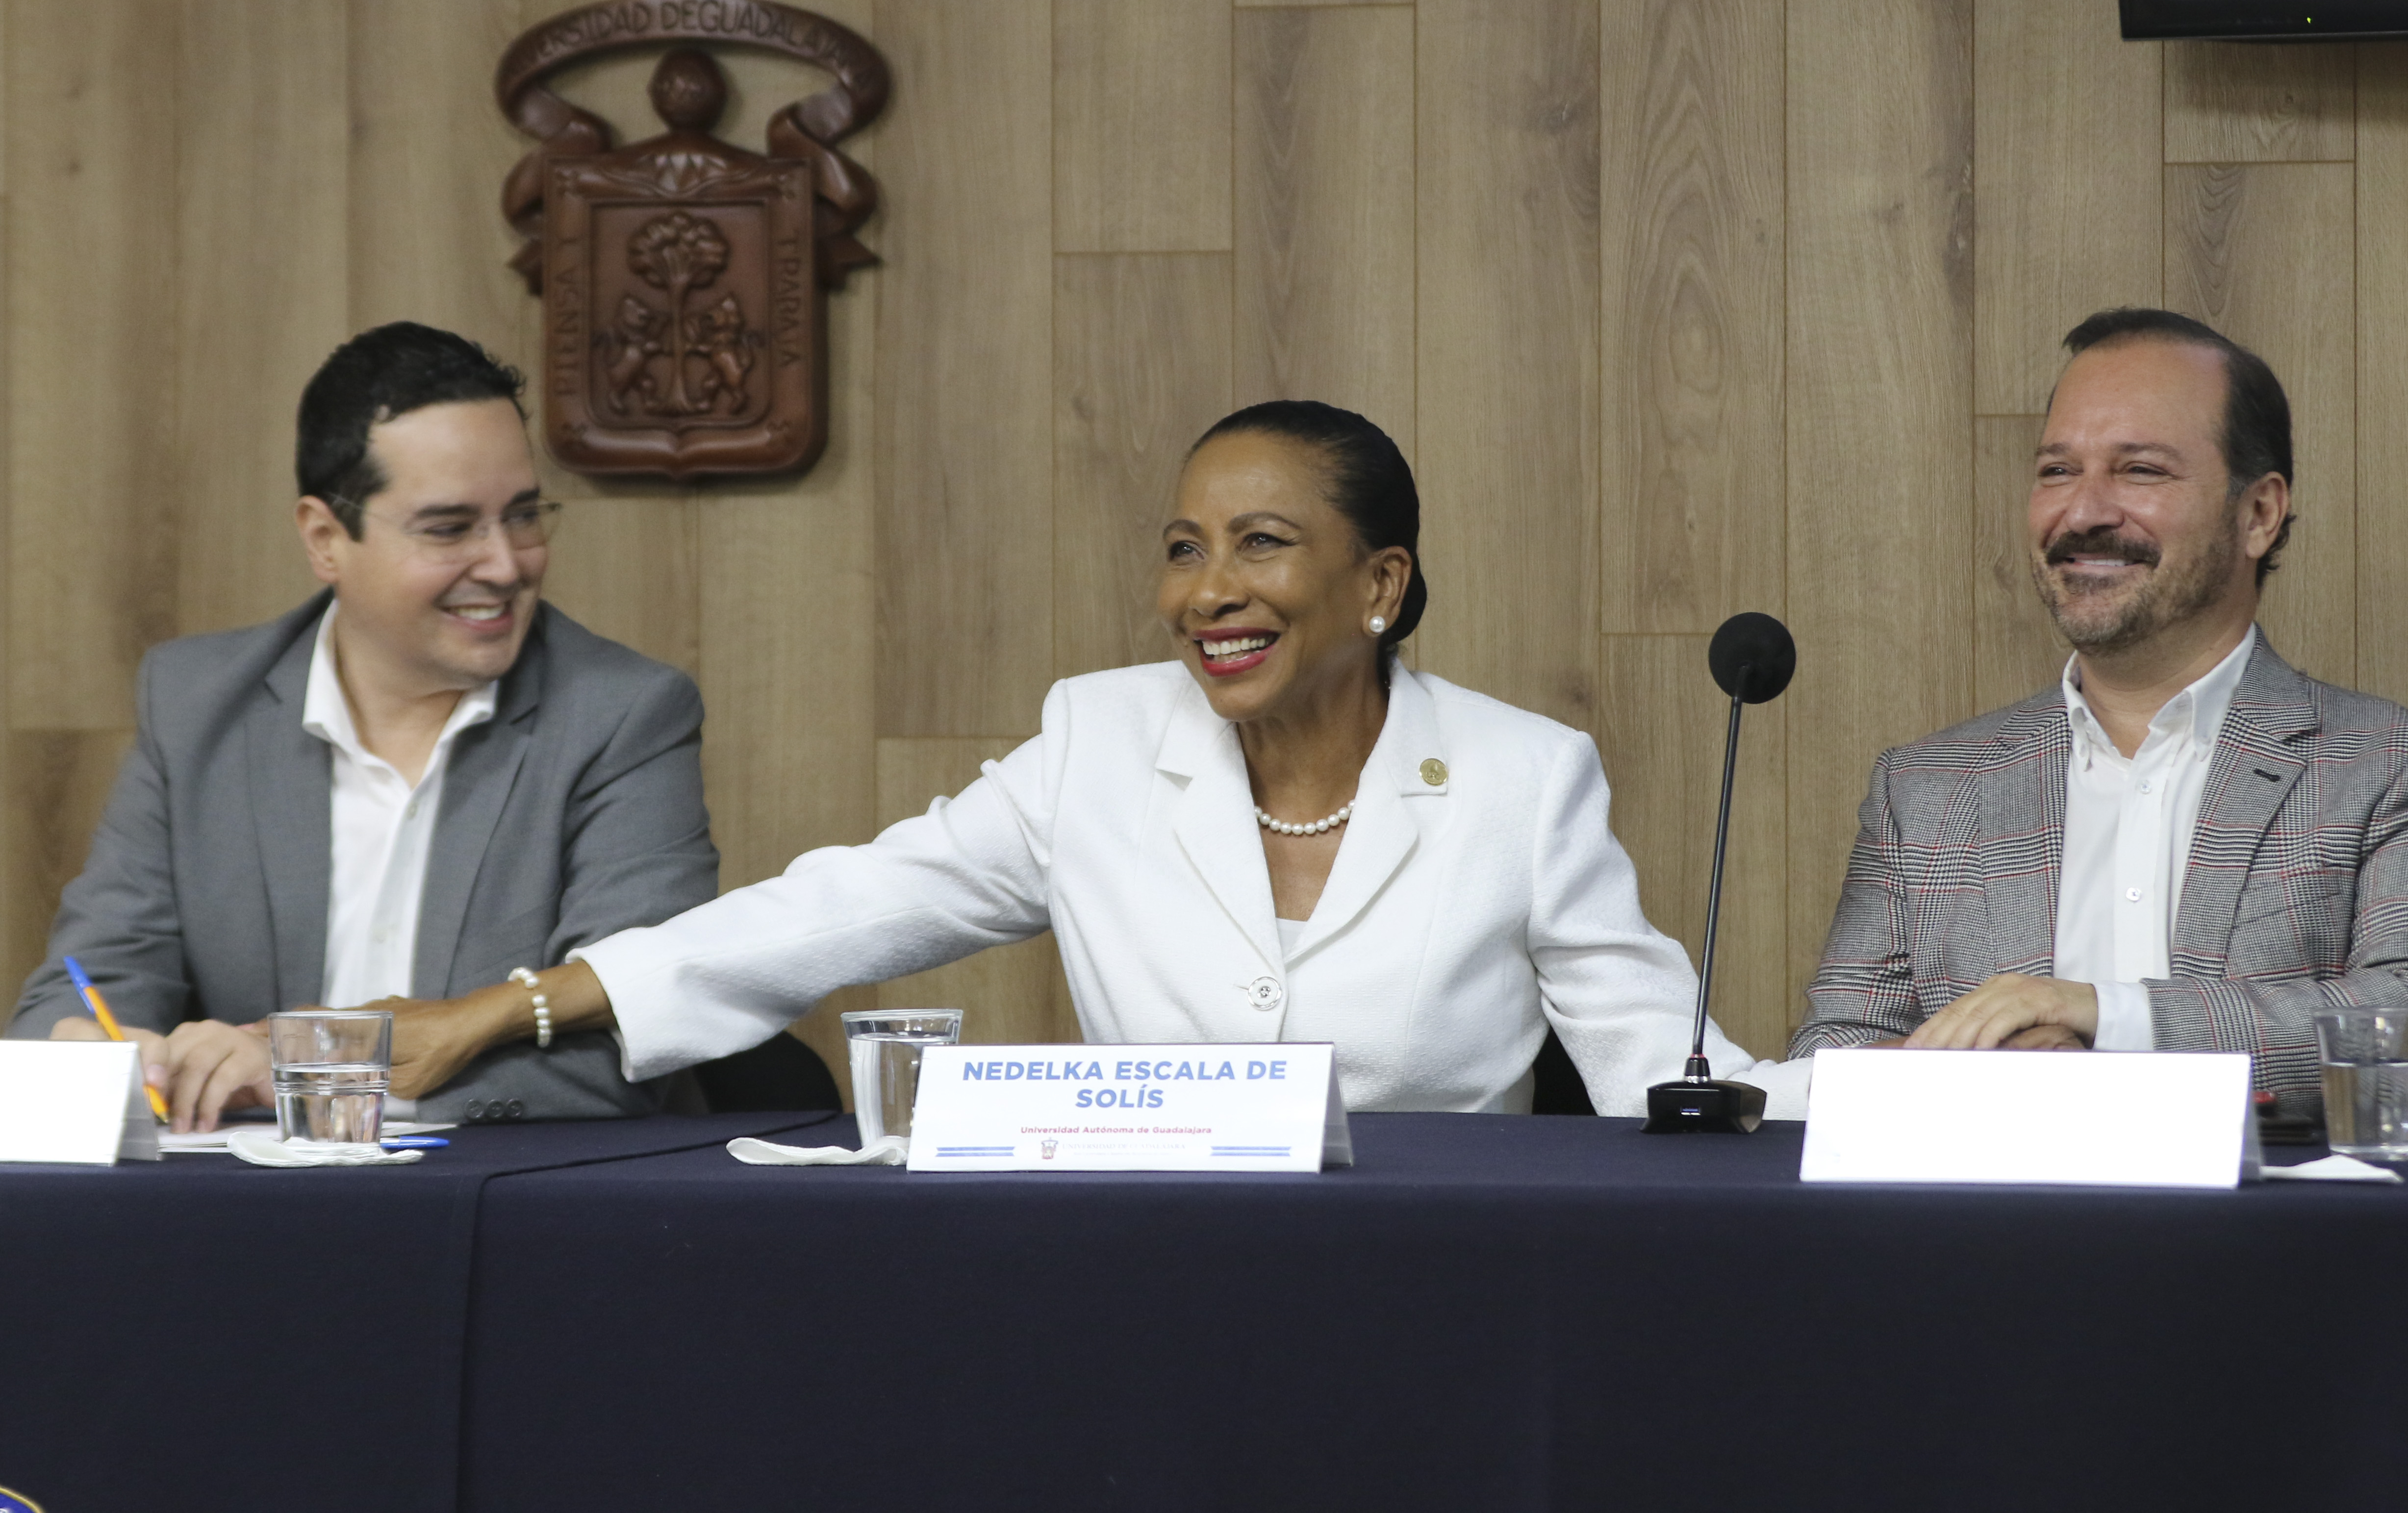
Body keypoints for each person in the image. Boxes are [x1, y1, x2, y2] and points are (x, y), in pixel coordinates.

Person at [373, 400, 1785, 1117]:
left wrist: (1901, 1108)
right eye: (1182, 549)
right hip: (1143, 1274)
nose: (1206, 591)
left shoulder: (1523, 774)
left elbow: (1669, 1070)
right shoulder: (1099, 742)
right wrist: (498, 1013)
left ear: (1380, 581)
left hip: (1432, 1291)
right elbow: (829, 913)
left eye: (1261, 544)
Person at [1789, 308, 2408, 1124]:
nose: (2083, 512)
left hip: (2266, 1207)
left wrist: (2102, 1014)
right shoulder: (1924, 788)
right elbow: (1831, 1058)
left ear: (2259, 514)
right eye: (2057, 470)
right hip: (1993, 1208)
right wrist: (2016, 1067)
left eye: (2139, 470)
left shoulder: (2395, 766)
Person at [9, 324, 721, 1129]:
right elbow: (80, 993)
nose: (506, 564)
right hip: (243, 1192)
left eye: (523, 515)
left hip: (513, 1188)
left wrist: (318, 1071)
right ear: (325, 539)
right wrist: (111, 1053)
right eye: (449, 528)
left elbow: (632, 1043)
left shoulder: (622, 714)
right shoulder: (197, 704)